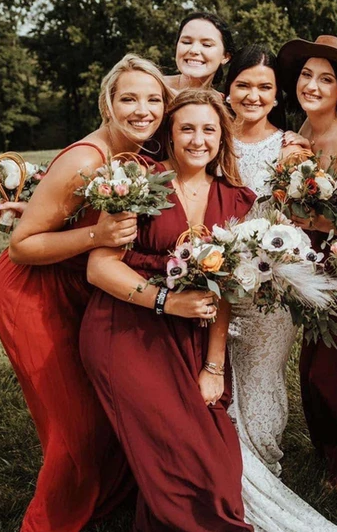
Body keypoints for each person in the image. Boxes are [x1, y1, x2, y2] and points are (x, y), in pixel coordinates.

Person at [0, 54, 171, 532]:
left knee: (97, 410)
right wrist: (98, 236)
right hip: (30, 291)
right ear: (107, 103)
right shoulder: (87, 159)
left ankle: (100, 499)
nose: (142, 109)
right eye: (128, 98)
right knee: (74, 428)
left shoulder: (138, 153)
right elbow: (23, 246)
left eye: (153, 99)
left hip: (74, 285)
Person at [80, 89, 255, 532]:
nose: (199, 139)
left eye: (209, 129)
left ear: (222, 137)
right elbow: (100, 268)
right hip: (125, 330)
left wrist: (214, 366)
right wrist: (167, 301)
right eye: (187, 129)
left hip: (193, 340)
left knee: (218, 466)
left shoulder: (236, 200)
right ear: (170, 135)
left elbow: (226, 292)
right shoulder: (141, 183)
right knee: (178, 451)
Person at [224, 45, 337, 532]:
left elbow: (314, 215)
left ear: (277, 96)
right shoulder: (206, 134)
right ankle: (213, 466)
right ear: (227, 89)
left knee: (259, 378)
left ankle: (262, 473)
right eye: (243, 85)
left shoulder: (291, 147)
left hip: (268, 289)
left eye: (264, 87)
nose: (253, 95)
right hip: (207, 280)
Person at [276, 35, 337, 493]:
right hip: (310, 260)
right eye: (306, 75)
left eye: (326, 79)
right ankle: (333, 448)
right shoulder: (304, 131)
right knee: (313, 361)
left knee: (331, 366)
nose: (312, 85)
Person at [164, 11, 234, 93]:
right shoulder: (153, 86)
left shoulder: (222, 103)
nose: (194, 50)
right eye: (186, 42)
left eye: (206, 45)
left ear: (225, 56)